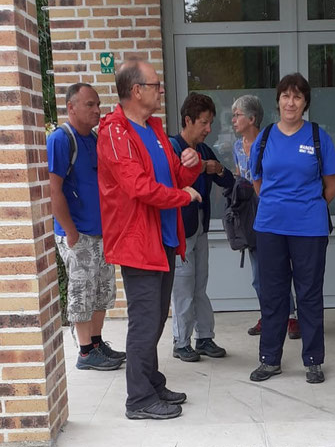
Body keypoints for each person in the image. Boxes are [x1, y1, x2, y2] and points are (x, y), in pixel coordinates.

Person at [97, 59, 202, 420]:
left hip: (164, 239)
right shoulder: (115, 132)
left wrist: (190, 163)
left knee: (156, 318)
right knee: (144, 322)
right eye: (156, 85)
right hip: (138, 243)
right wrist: (184, 196)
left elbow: (173, 174)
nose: (161, 90)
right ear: (136, 90)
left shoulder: (154, 128)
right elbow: (138, 188)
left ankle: (151, 381)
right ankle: (138, 399)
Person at [248, 73, 335, 384]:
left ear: (305, 103)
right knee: (272, 295)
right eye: (286, 96)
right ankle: (270, 359)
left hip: (309, 228)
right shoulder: (264, 137)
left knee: (309, 294)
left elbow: (332, 183)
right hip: (270, 227)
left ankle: (313, 360)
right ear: (278, 101)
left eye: (297, 97)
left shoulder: (317, 137)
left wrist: (307, 205)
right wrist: (280, 205)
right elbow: (257, 181)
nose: (291, 102)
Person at [48, 83, 123, 371]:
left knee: (102, 289)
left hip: (100, 232)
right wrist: (70, 231)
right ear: (71, 108)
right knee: (81, 291)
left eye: (98, 104)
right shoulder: (61, 140)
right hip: (78, 233)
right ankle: (85, 352)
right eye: (90, 105)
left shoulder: (93, 138)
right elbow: (54, 191)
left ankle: (96, 342)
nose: (97, 110)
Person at [169, 93, 234, 362]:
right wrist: (200, 169)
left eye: (210, 123)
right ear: (188, 120)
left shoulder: (205, 150)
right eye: (205, 123)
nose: (209, 129)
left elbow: (228, 181)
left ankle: (204, 337)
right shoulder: (171, 148)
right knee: (183, 288)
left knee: (200, 286)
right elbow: (168, 184)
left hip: (200, 228)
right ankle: (181, 342)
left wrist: (216, 169)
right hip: (180, 230)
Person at [231, 95, 300, 339]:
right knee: (258, 273)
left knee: (280, 268)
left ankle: (290, 316)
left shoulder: (269, 141)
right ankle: (269, 314)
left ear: (252, 118)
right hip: (250, 213)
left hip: (273, 209)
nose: (233, 120)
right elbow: (240, 176)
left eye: (237, 115)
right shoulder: (237, 146)